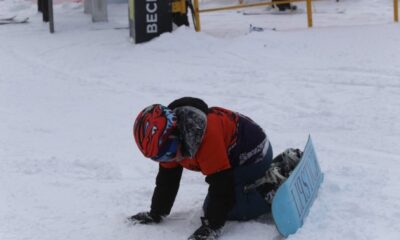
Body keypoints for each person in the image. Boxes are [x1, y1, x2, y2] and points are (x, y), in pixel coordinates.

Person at [129, 97, 301, 240]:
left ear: (177, 133)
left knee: (232, 209)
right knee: (214, 205)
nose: (171, 158)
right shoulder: (174, 143)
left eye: (169, 151)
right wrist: (156, 213)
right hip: (237, 158)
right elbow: (167, 179)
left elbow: (222, 186)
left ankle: (271, 187)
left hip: (253, 155)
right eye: (161, 157)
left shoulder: (205, 138)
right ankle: (279, 166)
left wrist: (211, 227)